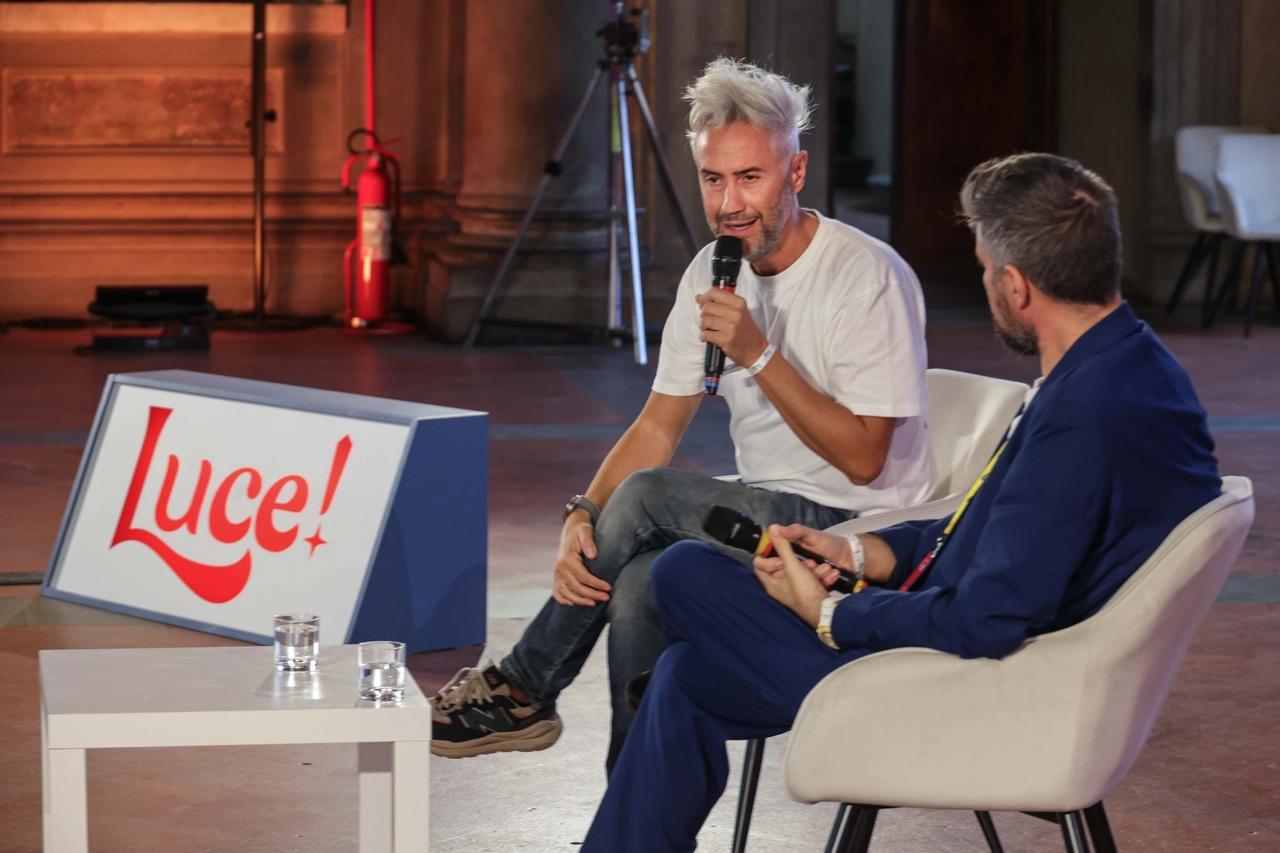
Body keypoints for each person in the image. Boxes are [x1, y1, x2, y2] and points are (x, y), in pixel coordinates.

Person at [577, 152, 1223, 852]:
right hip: (958, 630)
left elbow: (986, 619)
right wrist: (860, 551)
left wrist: (827, 611)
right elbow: (999, 525)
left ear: (1015, 285)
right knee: (684, 667)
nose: (984, 283)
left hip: (969, 681)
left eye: (982, 269)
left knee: (681, 580)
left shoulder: (1084, 414)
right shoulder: (1128, 367)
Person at [431, 58, 936, 770]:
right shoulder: (711, 271)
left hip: (859, 537)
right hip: (764, 521)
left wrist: (758, 354)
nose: (730, 203)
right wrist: (582, 512)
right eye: (712, 179)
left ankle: (525, 684)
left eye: (750, 177)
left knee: (649, 499)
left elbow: (864, 459)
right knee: (636, 582)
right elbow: (656, 427)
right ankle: (633, 813)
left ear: (795, 173)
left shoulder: (866, 275)